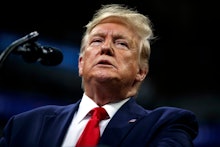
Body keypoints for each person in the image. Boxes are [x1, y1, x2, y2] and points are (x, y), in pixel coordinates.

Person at [0, 4, 198, 147]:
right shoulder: (23, 126)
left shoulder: (166, 125)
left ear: (141, 72)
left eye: (121, 43)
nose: (106, 48)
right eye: (96, 41)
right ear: (81, 64)